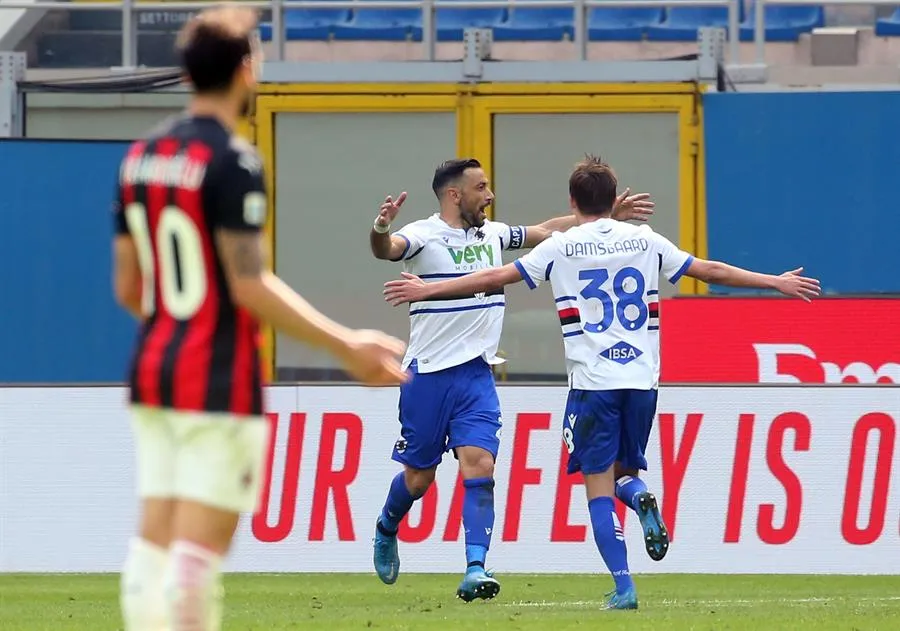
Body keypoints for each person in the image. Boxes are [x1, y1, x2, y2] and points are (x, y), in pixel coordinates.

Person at [382, 155, 820, 610]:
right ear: (613, 201)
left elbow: (496, 276)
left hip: (593, 383)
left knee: (598, 487)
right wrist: (774, 282)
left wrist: (428, 289)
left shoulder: (562, 247)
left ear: (573, 202)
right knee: (624, 473)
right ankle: (639, 495)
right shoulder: (646, 239)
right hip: (643, 381)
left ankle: (624, 586)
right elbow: (710, 271)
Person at [111, 8, 407, 631]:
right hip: (215, 375)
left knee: (154, 540)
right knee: (198, 553)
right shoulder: (234, 161)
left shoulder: (141, 157)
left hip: (154, 368)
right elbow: (248, 283)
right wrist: (347, 344)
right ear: (248, 69)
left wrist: (176, 325)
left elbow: (129, 288)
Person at [368, 157, 655, 601]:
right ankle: (387, 526)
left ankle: (475, 568)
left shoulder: (494, 234)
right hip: (427, 375)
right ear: (454, 195)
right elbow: (387, 248)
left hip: (476, 375)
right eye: (481, 187)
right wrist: (381, 227)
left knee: (480, 465)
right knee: (419, 479)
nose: (490, 195)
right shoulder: (424, 235)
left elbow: (547, 230)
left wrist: (603, 217)